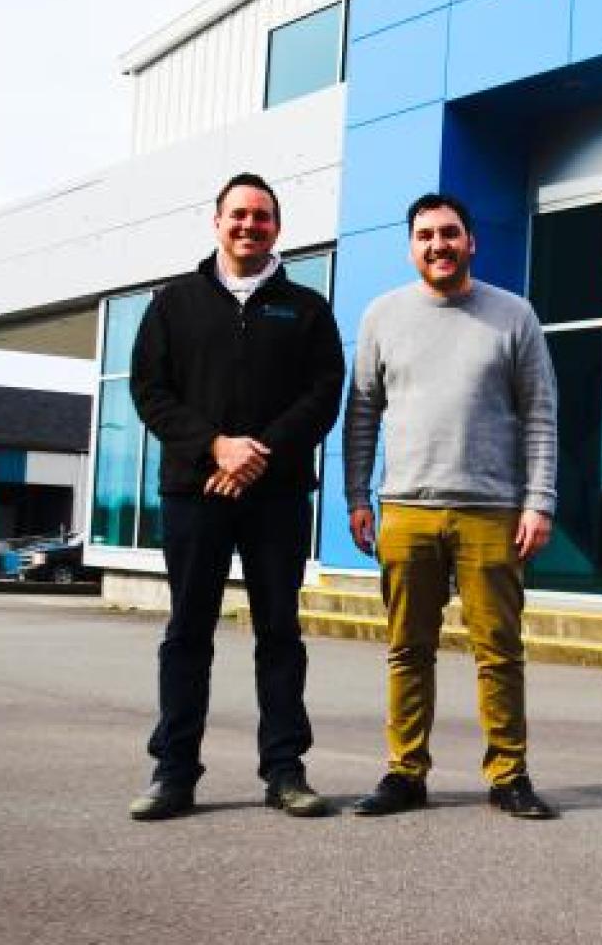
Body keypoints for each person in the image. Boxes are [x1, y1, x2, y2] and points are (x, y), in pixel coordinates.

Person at [125, 172, 344, 821]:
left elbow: (323, 395)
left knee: (280, 633)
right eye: (238, 215)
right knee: (187, 633)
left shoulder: (306, 308)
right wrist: (215, 447)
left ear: (278, 227)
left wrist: (257, 454)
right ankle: (174, 774)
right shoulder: (173, 304)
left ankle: (285, 772)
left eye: (263, 216)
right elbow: (149, 391)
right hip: (195, 494)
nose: (250, 225)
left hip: (276, 497)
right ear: (216, 221)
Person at [343, 192, 560, 820]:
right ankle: (405, 772)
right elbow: (362, 414)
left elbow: (540, 414)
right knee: (407, 648)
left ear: (471, 241)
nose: (438, 245)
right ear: (412, 247)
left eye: (449, 233)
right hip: (406, 510)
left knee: (499, 652)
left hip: (492, 511)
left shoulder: (514, 316)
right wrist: (358, 496)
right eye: (425, 236)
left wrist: (538, 500)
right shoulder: (382, 316)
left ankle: (509, 774)